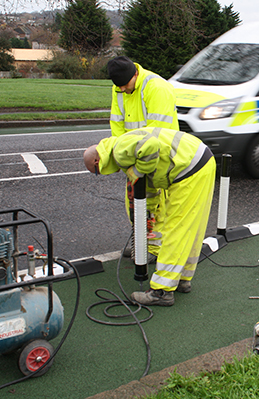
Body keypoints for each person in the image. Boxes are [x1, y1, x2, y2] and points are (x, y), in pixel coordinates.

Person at [83, 127, 216, 306]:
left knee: (175, 230)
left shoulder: (119, 151)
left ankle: (162, 291)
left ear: (98, 160)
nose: (104, 174)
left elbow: (150, 145)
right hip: (200, 163)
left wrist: (136, 173)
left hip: (187, 170)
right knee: (190, 228)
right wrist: (149, 213)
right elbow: (151, 185)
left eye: (97, 171)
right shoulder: (123, 148)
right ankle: (182, 279)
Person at [106, 56, 179, 259]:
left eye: (125, 85)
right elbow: (117, 125)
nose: (122, 90)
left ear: (135, 74)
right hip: (135, 158)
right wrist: (124, 156)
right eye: (118, 87)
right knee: (134, 202)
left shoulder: (156, 88)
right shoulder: (119, 88)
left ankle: (154, 250)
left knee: (156, 205)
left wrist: (142, 162)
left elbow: (157, 133)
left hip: (158, 157)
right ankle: (140, 242)